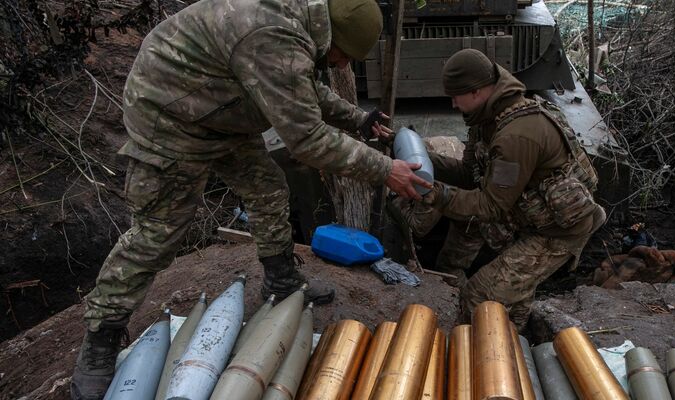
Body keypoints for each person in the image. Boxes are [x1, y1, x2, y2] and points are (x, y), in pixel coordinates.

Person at [70, 0, 431, 397]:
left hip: (224, 109)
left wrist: (356, 117)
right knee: (160, 230)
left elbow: (301, 88)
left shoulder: (300, 25)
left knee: (268, 188)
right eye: (345, 56)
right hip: (170, 116)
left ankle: (280, 281)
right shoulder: (274, 34)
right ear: (334, 36)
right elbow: (308, 139)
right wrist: (384, 169)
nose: (343, 66)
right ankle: (101, 335)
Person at [395, 48, 606, 330]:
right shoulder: (488, 119)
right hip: (528, 218)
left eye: (456, 96)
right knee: (508, 288)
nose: (454, 104)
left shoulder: (515, 136)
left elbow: (491, 206)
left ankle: (501, 351)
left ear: (477, 91)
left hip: (557, 233)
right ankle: (517, 335)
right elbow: (469, 175)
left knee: (479, 296)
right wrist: (418, 156)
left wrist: (436, 194)